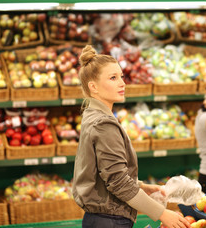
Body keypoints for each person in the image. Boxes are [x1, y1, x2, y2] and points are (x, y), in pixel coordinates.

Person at [72, 45, 190, 228]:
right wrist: (162, 214)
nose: (122, 83)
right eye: (113, 78)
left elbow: (106, 173)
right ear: (93, 87)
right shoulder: (104, 124)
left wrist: (142, 187)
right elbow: (118, 182)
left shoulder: (92, 114)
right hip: (110, 221)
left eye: (121, 76)